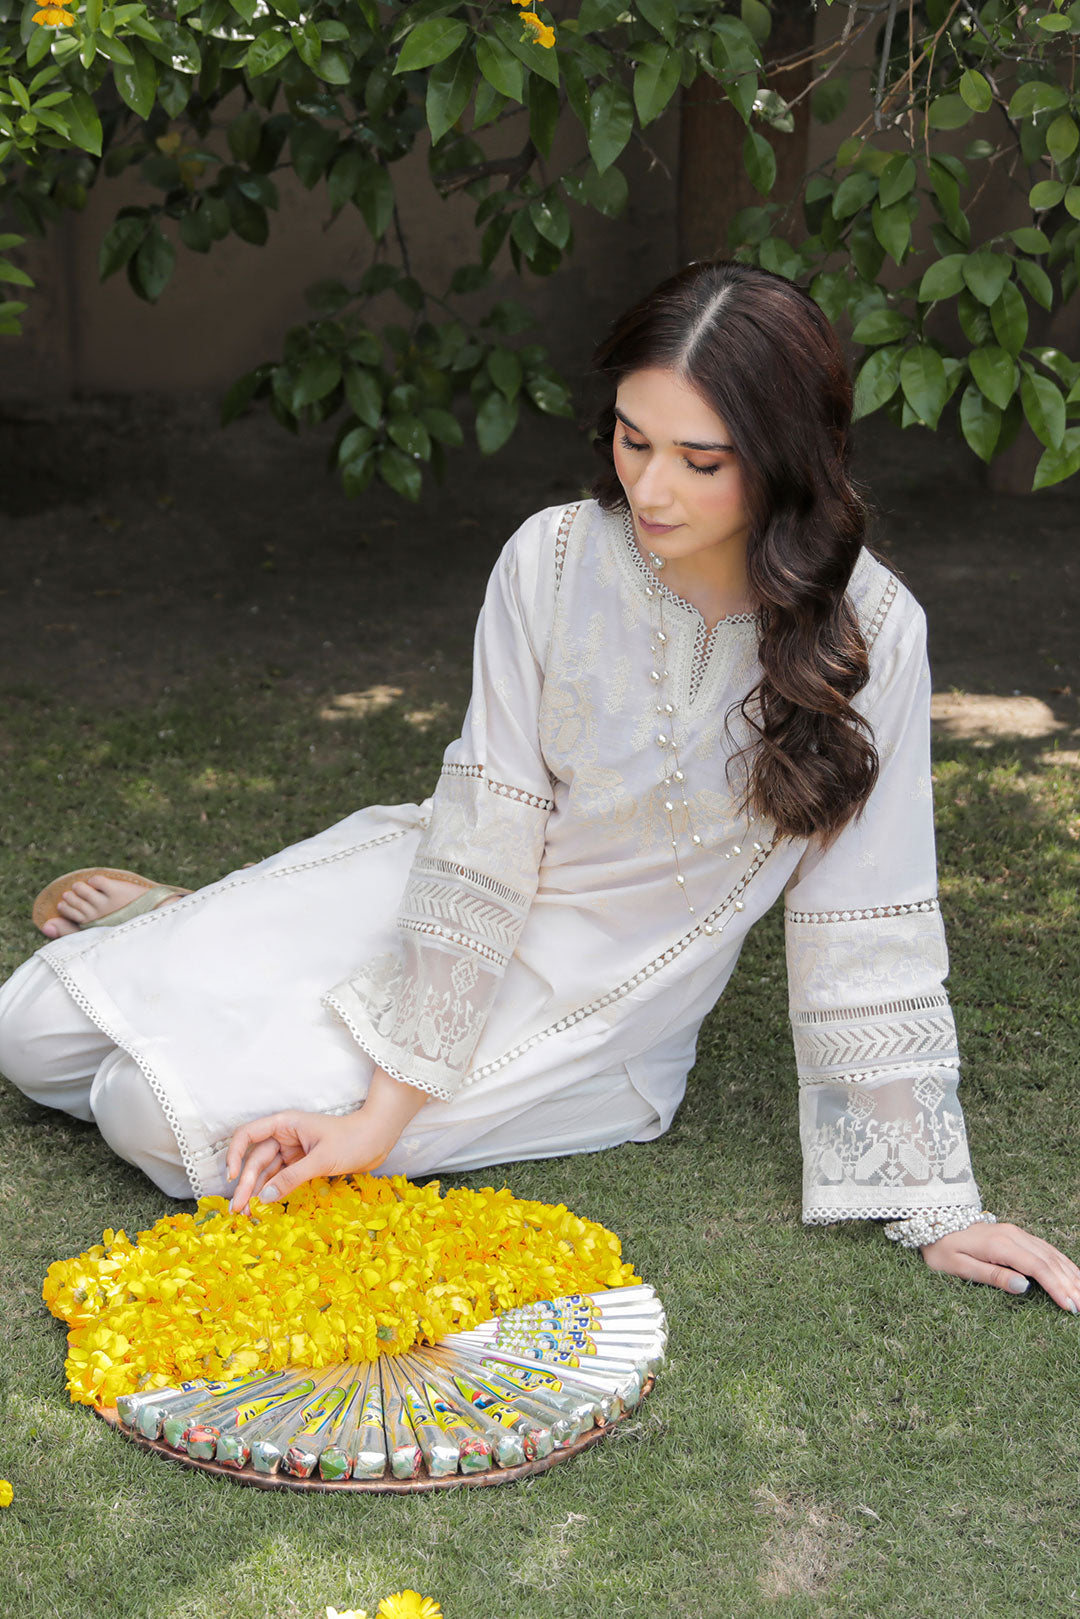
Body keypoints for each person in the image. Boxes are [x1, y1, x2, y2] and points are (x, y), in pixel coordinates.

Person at [2, 262, 1077, 1311]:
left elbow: (868, 921)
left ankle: (187, 942)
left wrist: (934, 1202)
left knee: (153, 1117)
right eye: (633, 439)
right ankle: (184, 926)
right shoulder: (552, 558)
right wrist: (389, 1102)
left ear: (789, 457)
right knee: (27, 1029)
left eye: (700, 461)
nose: (650, 489)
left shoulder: (874, 634)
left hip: (601, 1007)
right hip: (451, 890)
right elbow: (488, 828)